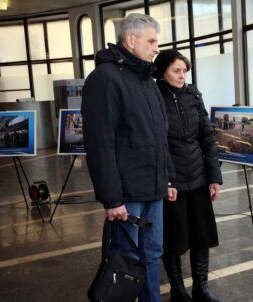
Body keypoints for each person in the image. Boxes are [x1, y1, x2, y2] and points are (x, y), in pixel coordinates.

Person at [81, 13, 177, 302]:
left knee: (152, 255)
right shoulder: (104, 79)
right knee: (123, 263)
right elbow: (100, 144)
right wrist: (112, 199)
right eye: (151, 41)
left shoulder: (147, 80)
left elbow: (160, 135)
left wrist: (167, 178)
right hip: (127, 194)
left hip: (153, 189)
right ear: (131, 40)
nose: (156, 47)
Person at [153, 49, 223, 302]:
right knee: (173, 237)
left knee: (201, 235)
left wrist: (214, 177)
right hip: (172, 179)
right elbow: (156, 144)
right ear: (163, 71)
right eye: (176, 70)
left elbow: (208, 137)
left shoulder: (193, 95)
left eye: (184, 70)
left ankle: (201, 288)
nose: (182, 75)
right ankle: (178, 289)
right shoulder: (154, 96)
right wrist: (167, 181)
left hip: (199, 177)